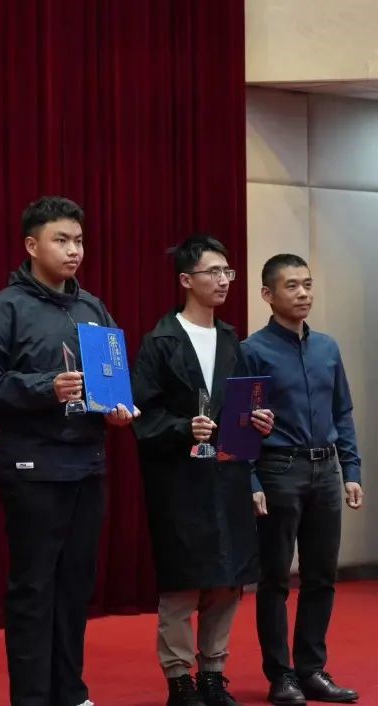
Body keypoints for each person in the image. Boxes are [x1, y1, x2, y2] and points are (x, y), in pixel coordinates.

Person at [0, 195, 137, 706]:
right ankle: (32, 697)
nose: (73, 251)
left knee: (76, 586)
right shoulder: (6, 307)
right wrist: (47, 388)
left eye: (78, 241)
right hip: (32, 467)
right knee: (34, 588)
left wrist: (117, 410)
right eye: (61, 240)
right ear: (31, 245)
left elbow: (111, 381)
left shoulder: (93, 308)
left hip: (87, 464)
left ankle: (71, 691)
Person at [131, 235, 275, 706]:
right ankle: (179, 678)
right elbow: (142, 415)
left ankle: (213, 672)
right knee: (183, 581)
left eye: (227, 272)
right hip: (179, 480)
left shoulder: (234, 340)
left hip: (228, 476)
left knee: (228, 580)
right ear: (185, 280)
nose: (224, 280)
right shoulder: (160, 341)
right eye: (213, 272)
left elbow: (246, 405)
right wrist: (182, 428)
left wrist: (260, 421)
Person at [242, 254, 363, 706]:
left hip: (326, 470)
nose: (303, 294)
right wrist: (251, 480)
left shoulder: (327, 348)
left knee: (321, 576)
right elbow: (240, 422)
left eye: (307, 284)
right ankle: (281, 676)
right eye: (291, 286)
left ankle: (312, 670)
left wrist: (351, 470)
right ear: (267, 294)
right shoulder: (253, 351)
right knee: (274, 578)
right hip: (279, 470)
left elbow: (342, 412)